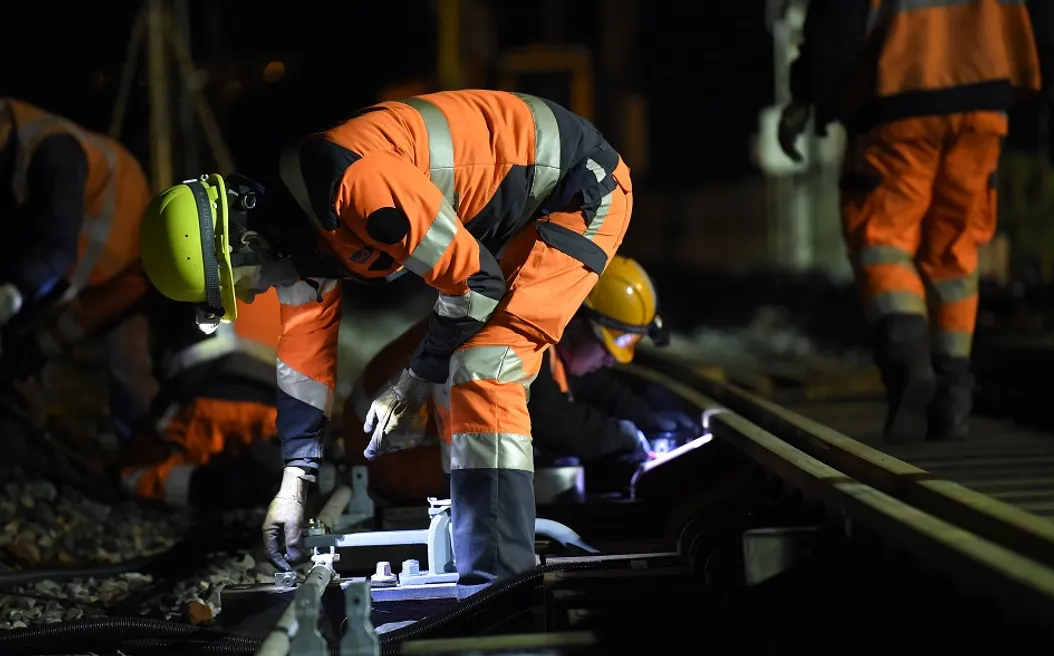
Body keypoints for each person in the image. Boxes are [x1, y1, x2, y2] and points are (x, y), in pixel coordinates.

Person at [138, 90, 634, 594]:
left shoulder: (355, 188)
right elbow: (305, 371)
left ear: (245, 242)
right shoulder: (301, 243)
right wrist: (294, 484)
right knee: (468, 358)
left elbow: (475, 282)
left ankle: (500, 586)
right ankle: (489, 564)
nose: (255, 292)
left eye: (239, 282)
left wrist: (412, 385)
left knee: (487, 363)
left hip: (580, 187)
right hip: (525, 206)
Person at [776, 0, 1054, 443]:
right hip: (984, 98)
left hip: (898, 94)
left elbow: (838, 18)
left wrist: (808, 93)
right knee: (956, 250)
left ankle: (908, 362)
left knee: (882, 238)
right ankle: (954, 390)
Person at [343, 255, 700, 502]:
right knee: (537, 462)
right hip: (394, 458)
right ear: (576, 321)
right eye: (608, 344)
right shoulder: (519, 332)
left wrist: (648, 420)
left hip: (390, 444)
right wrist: (622, 440)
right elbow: (552, 420)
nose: (610, 359)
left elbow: (592, 386)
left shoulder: (548, 334)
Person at [0, 97, 158, 443]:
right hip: (89, 277)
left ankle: (148, 461)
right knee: (36, 352)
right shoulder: (19, 152)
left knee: (129, 371)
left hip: (128, 263)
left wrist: (10, 299)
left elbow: (54, 251)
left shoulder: (54, 151)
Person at [119, 294, 283, 511]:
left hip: (204, 407)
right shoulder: (298, 272)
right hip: (276, 416)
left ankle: (217, 488)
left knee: (133, 477)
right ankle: (253, 486)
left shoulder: (186, 265)